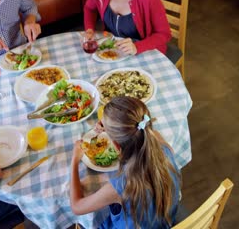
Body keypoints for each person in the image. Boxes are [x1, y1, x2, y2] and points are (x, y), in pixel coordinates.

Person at [70, 96, 181, 228]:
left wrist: (75, 161)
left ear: (116, 146)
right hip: (166, 220)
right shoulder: (164, 147)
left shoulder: (120, 186)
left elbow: (77, 207)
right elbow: (148, 133)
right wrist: (115, 129)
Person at [83, 0, 171, 55]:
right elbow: (89, 8)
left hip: (145, 52)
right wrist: (89, 29)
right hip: (115, 51)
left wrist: (137, 47)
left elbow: (164, 33)